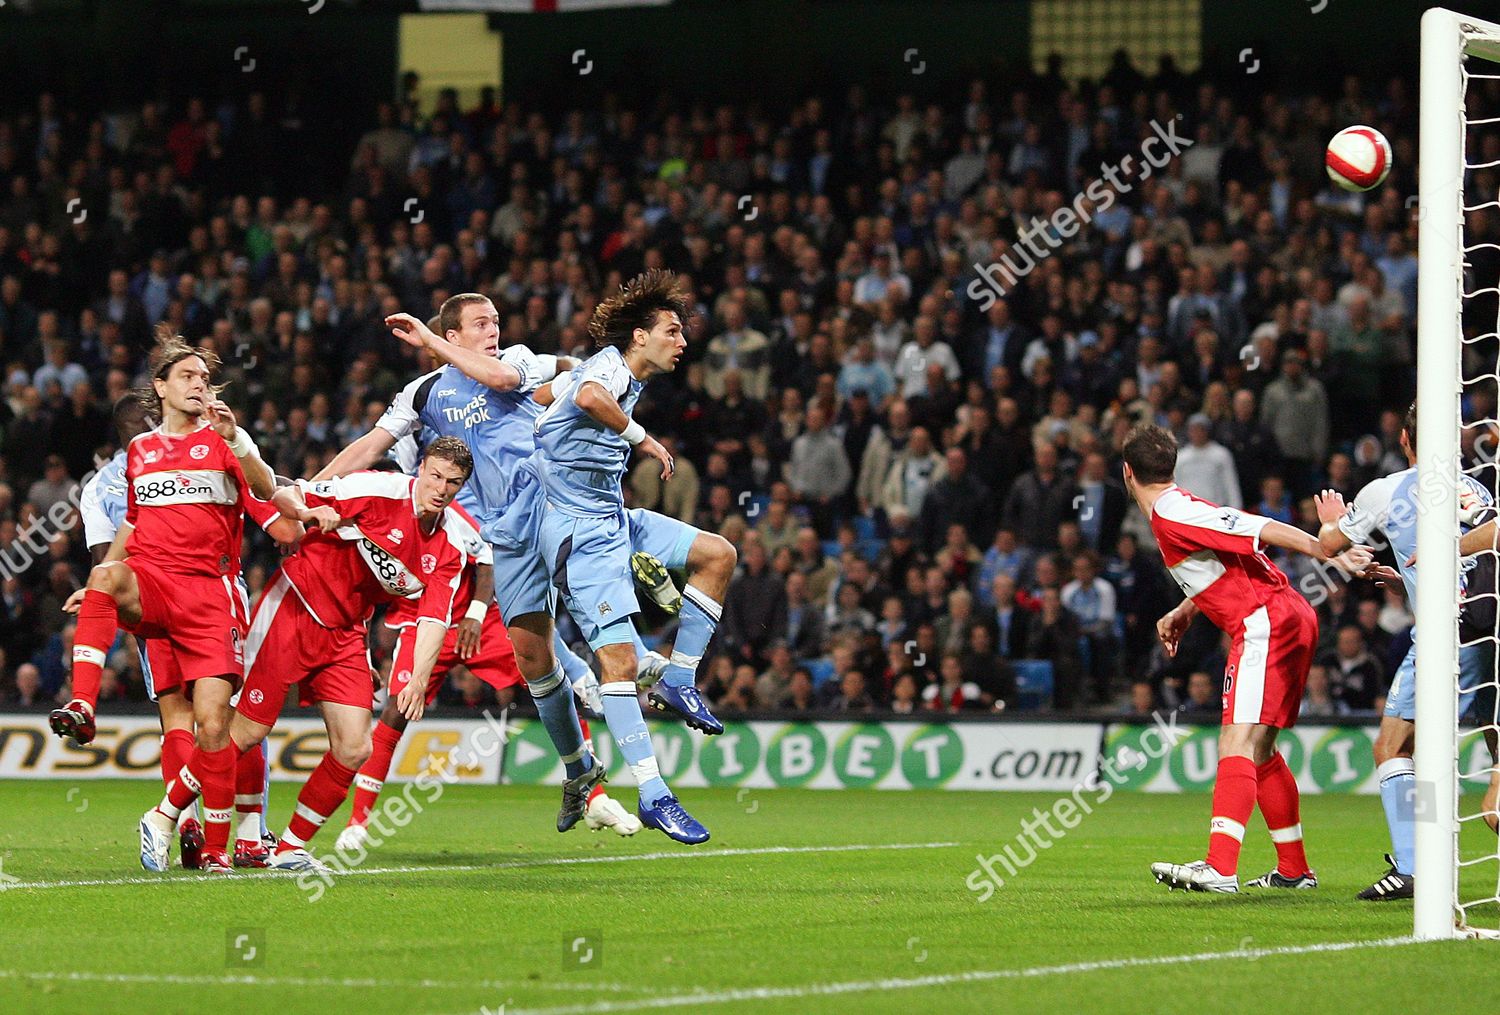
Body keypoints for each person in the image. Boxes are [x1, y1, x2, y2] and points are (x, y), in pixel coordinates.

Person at [143, 438, 476, 872]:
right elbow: (291, 493)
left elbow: (434, 618)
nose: (441, 488)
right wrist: (300, 518)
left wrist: (416, 678)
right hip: (295, 607)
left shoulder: (450, 545)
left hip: (345, 634)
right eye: (434, 475)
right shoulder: (376, 491)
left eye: (453, 482)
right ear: (422, 469)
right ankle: (164, 814)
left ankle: (289, 848)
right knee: (242, 735)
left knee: (355, 747)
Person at [528, 270, 737, 843]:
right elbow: (592, 395)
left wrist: (535, 403)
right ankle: (653, 795)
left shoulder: (617, 378)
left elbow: (558, 398)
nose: (683, 342)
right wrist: (641, 438)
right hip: (579, 537)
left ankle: (680, 680)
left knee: (717, 555)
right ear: (639, 337)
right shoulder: (610, 370)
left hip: (616, 521)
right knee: (618, 663)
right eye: (672, 331)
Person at [61, 331, 277, 873]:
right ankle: (84, 705)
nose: (199, 385)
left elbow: (268, 488)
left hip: (213, 596)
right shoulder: (140, 453)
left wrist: (240, 442)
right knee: (109, 578)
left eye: (204, 378)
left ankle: (199, 836)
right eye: (187, 376)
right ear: (160, 387)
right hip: (156, 584)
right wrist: (103, 576)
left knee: (213, 726)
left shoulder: (224, 439)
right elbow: (132, 523)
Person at [1123, 423, 1371, 893]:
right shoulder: (1179, 510)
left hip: (1265, 623)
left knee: (1234, 743)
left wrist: (1328, 551)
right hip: (1287, 616)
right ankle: (1294, 871)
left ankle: (1219, 867)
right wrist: (1184, 610)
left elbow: (1257, 527)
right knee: (1258, 749)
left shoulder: (1173, 512)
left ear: (1127, 472)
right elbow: (1226, 564)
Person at [336, 499, 640, 852]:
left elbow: (486, 560)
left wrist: (476, 613)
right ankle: (358, 822)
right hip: (420, 625)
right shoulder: (362, 523)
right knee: (395, 710)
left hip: (476, 622)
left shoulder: (446, 514)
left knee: (551, 683)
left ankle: (594, 799)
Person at [1314, 401, 1497, 898]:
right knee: (1484, 762)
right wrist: (1400, 581)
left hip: (1446, 635)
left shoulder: (1386, 490)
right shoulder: (1475, 488)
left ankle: (1416, 865)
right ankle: (1428, 853)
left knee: (1393, 747)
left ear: (1403, 441)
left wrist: (1332, 518)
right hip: (1490, 633)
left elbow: (1330, 547)